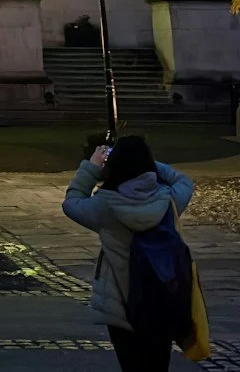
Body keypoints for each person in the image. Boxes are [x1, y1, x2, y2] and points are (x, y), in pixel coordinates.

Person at [62, 132, 197, 372]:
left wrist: (92, 167)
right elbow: (184, 181)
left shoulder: (105, 206)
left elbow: (72, 202)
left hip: (121, 304)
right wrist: (148, 164)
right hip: (163, 296)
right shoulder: (168, 200)